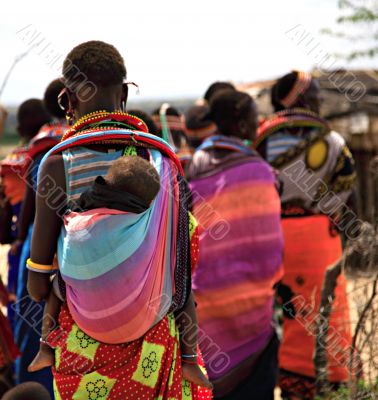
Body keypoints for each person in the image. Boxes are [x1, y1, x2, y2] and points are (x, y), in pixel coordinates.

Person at [27, 40, 212, 400]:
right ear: (125, 94)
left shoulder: (57, 164)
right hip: (157, 345)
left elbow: (36, 285)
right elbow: (181, 269)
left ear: (67, 100)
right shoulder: (161, 159)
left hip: (84, 349)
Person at [28, 155, 212, 390]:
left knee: (58, 286)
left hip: (87, 320)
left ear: (105, 182)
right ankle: (189, 361)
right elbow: (185, 259)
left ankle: (45, 347)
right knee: (183, 293)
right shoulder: (153, 223)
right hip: (147, 322)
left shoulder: (86, 204)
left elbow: (43, 278)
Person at [255, 70, 356, 400]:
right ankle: (328, 385)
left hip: (274, 238)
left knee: (286, 313)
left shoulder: (260, 141)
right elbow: (347, 191)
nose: (319, 100)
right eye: (313, 94)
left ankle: (288, 383)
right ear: (298, 99)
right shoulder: (332, 142)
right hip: (319, 240)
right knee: (326, 313)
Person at [187, 89, 284, 399]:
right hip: (252, 301)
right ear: (242, 125)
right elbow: (268, 245)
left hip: (207, 295)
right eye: (255, 119)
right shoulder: (258, 169)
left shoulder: (197, 161)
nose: (258, 125)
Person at [12, 79, 67, 394]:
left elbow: (31, 209)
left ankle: (33, 390)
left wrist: (22, 241)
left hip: (40, 246)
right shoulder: (85, 139)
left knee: (32, 322)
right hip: (77, 248)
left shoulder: (42, 147)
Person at [0, 99, 51, 331]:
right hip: (50, 243)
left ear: (19, 129)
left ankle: (15, 359)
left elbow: (4, 231)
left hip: (25, 244)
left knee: (20, 305)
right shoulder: (57, 150)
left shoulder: (10, 164)